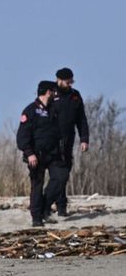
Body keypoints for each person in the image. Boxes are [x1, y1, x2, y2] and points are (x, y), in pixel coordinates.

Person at [17, 81, 68, 227]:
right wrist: (29, 153)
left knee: (61, 177)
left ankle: (46, 206)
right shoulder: (30, 110)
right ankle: (37, 217)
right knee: (37, 185)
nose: (55, 94)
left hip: (53, 154)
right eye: (54, 92)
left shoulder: (54, 110)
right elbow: (22, 137)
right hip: (36, 155)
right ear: (48, 92)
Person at [51, 67, 90, 216]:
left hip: (69, 139)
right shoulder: (50, 93)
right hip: (52, 141)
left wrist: (84, 139)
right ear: (59, 80)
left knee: (65, 174)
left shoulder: (75, 96)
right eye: (67, 82)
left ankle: (61, 207)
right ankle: (52, 204)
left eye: (71, 82)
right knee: (57, 175)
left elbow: (81, 119)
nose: (70, 85)